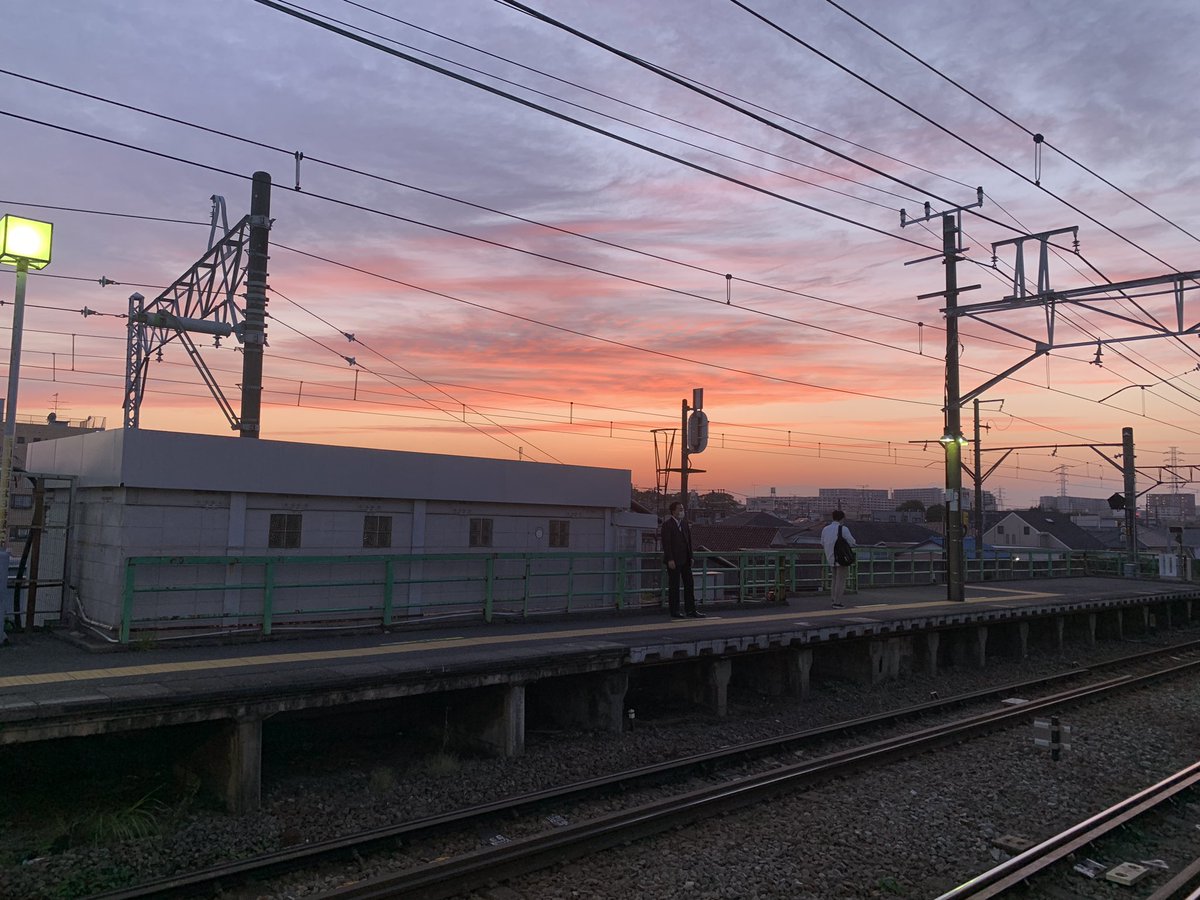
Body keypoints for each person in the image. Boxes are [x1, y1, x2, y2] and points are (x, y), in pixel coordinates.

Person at [661, 501, 705, 619]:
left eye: (682, 509)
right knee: (674, 586)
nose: (682, 511)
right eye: (679, 509)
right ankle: (675, 611)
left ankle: (691, 610)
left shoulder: (685, 524)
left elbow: (689, 542)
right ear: (673, 511)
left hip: (685, 559)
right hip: (674, 560)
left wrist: (691, 557)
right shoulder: (667, 525)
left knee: (689, 584)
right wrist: (670, 559)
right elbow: (666, 543)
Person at [820, 510, 856, 609]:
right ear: (842, 518)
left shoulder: (825, 529)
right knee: (841, 580)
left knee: (834, 579)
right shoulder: (843, 529)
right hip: (841, 557)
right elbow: (852, 542)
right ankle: (837, 602)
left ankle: (833, 599)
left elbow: (822, 542)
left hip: (830, 556)